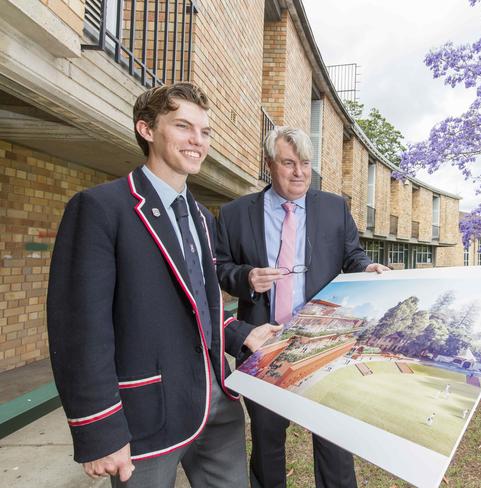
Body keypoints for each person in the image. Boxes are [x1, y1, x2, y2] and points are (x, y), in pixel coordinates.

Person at [47, 82, 281, 487]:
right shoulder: (101, 208)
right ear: (147, 130)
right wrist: (99, 429)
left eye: (205, 131)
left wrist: (244, 334)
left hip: (217, 404)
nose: (197, 141)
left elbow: (197, 304)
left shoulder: (204, 218)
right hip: (147, 417)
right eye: (183, 127)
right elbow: (80, 330)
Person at [215, 126, 389, 488]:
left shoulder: (334, 208)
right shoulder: (233, 214)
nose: (299, 173)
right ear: (269, 165)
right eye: (289, 163)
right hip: (263, 345)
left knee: (334, 444)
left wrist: (367, 266)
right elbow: (219, 268)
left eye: (306, 164)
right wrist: (246, 277)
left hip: (323, 342)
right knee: (266, 443)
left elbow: (352, 255)